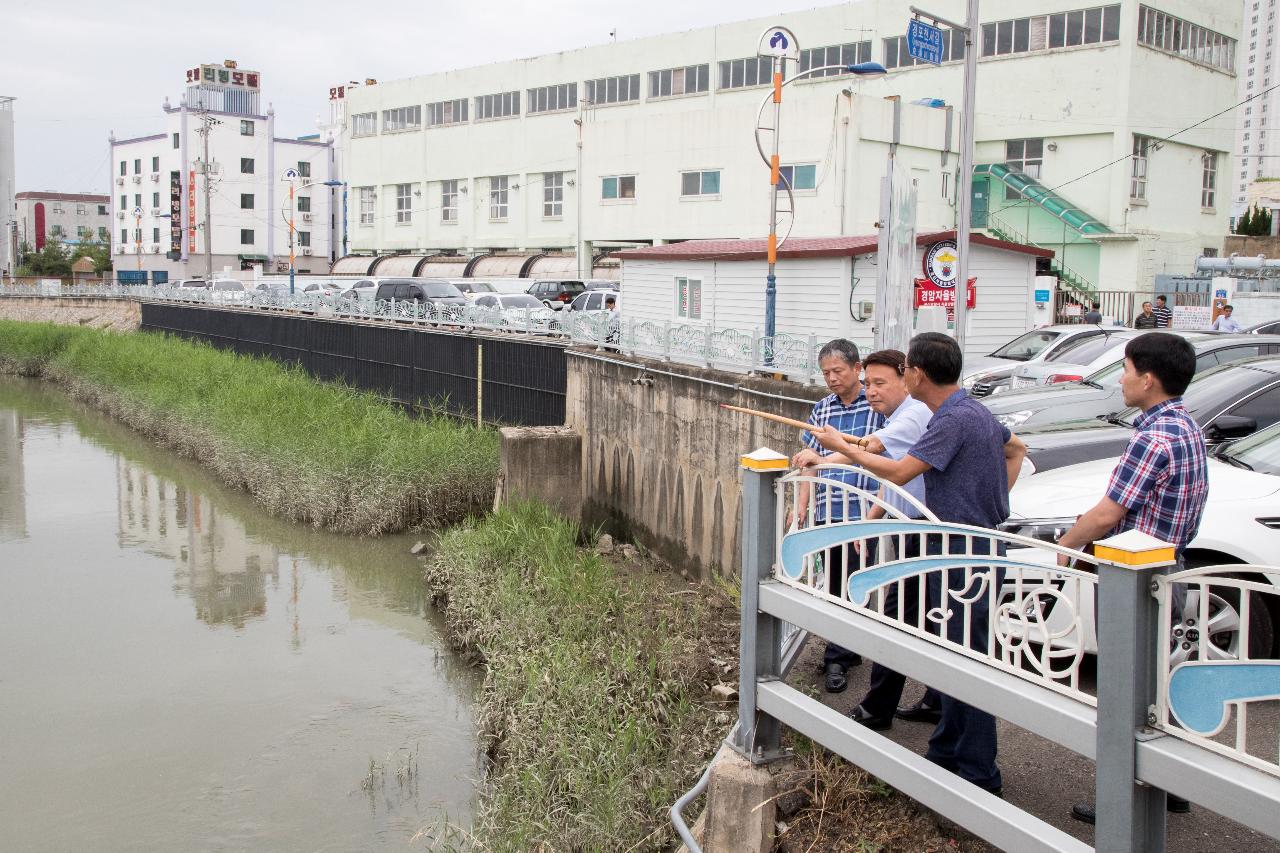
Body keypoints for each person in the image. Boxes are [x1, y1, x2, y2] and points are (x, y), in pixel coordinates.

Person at [816, 332, 1027, 795]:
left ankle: (978, 776)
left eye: (906, 368)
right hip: (965, 545)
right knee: (953, 655)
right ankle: (946, 753)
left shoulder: (952, 419)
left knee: (967, 663)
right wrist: (991, 503)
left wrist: (842, 448)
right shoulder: (969, 411)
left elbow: (898, 472)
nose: (904, 373)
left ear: (919, 374)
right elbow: (1017, 449)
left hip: (962, 554)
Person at [1052, 332, 1206, 825]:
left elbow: (1105, 514)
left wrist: (1063, 548)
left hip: (1133, 579)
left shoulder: (1153, 437)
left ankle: (1125, 794)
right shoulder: (1186, 427)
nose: (1120, 379)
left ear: (1148, 378)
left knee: (1127, 689)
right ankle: (1175, 783)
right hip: (1170, 567)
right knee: (1160, 683)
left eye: (1125, 369)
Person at [804, 349, 942, 730]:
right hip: (907, 527)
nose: (872, 391)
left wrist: (833, 451)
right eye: (869, 384)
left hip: (921, 530)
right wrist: (871, 520)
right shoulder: (898, 415)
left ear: (908, 377)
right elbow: (897, 478)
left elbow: (872, 451)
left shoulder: (912, 413)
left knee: (898, 617)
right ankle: (938, 699)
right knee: (929, 618)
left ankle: (877, 708)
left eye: (879, 383)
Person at [791, 339, 885, 694]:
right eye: (826, 372)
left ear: (857, 369)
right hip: (828, 508)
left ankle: (837, 658)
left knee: (854, 581)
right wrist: (801, 503)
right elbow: (810, 460)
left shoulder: (876, 407)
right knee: (832, 581)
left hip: (862, 510)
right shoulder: (822, 410)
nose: (831, 378)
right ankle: (844, 650)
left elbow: (871, 453)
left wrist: (831, 455)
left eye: (838, 371)